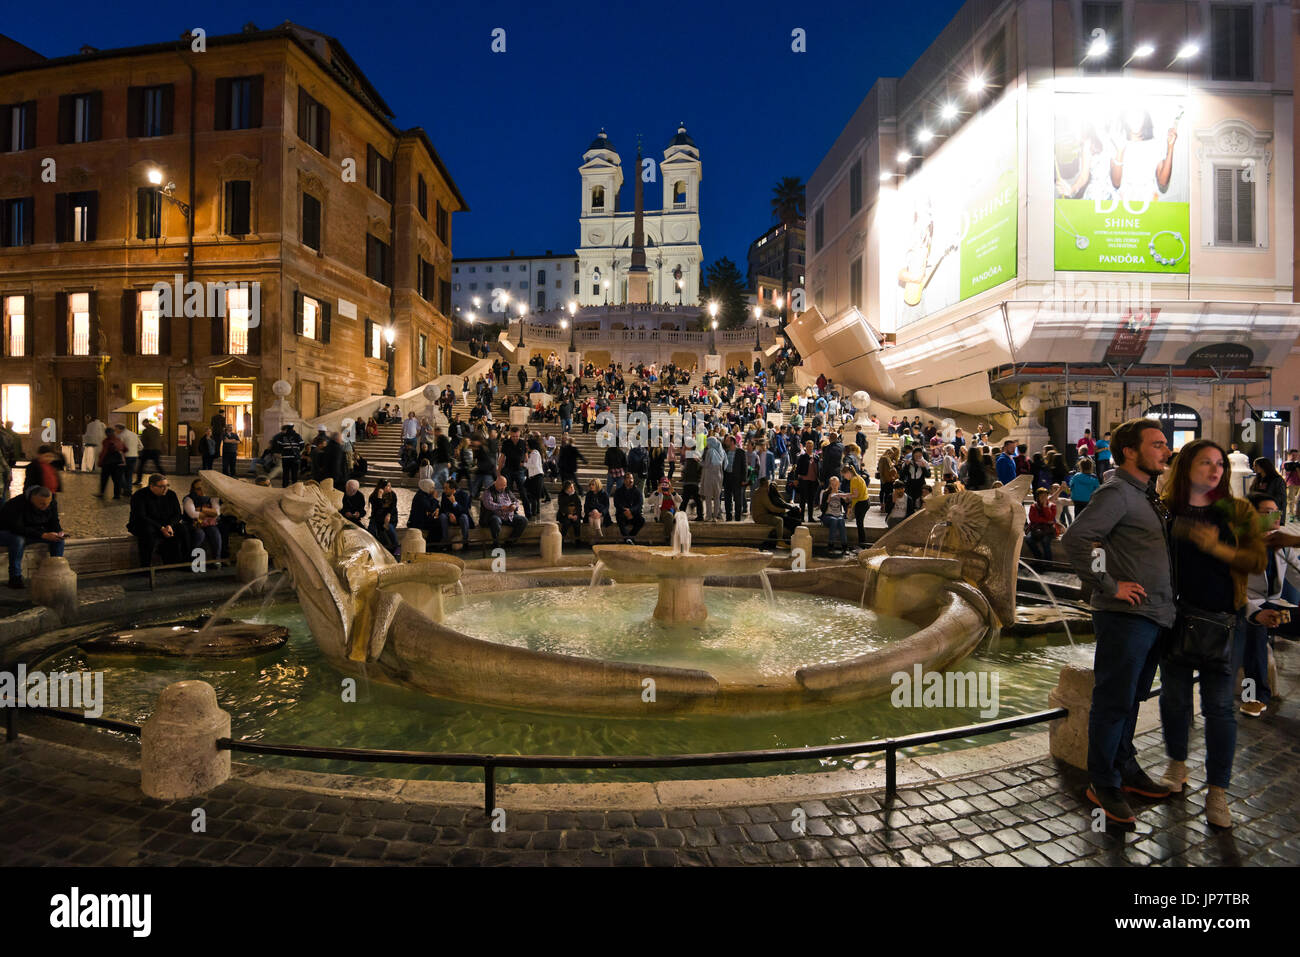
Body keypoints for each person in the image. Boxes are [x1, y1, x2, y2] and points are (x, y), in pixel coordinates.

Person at [1060, 418, 1174, 831]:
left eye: (1166, 444)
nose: (1166, 451)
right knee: (1114, 701)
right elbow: (1076, 538)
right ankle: (1103, 782)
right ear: (1130, 450)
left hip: (1153, 615)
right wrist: (1109, 583)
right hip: (1127, 617)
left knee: (1131, 699)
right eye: (1158, 444)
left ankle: (1126, 767)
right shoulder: (1117, 492)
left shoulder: (1144, 493)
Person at [1157, 439, 1266, 830]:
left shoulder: (1235, 511)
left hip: (1224, 620)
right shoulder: (1167, 510)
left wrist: (1216, 547)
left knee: (1219, 707)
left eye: (1219, 463)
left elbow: (1257, 560)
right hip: (1174, 618)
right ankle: (1176, 765)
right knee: (1174, 700)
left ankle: (1217, 791)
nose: (1215, 469)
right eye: (1205, 462)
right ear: (1186, 467)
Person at [1242, 492, 1297, 717]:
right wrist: (1254, 614)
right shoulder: (1240, 544)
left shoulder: (1282, 543)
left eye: (1277, 512)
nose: (1275, 517)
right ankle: (1253, 696)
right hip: (1249, 608)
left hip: (1276, 608)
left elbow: (1296, 574)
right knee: (1254, 635)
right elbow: (1235, 592)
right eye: (1267, 513)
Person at [0, 486, 65, 588]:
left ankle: (56, 572)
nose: (45, 506)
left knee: (58, 540)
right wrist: (43, 535)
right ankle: (15, 578)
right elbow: (17, 528)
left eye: (47, 504)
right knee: (18, 540)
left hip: (31, 532)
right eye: (42, 504)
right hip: (8, 532)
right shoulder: (16, 504)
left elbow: (54, 521)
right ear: (32, 499)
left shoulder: (51, 503)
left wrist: (59, 532)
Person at [128, 473, 184, 567]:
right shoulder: (139, 496)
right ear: (152, 486)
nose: (165, 489)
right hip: (143, 524)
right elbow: (141, 516)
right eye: (162, 486)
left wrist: (170, 525)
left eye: (167, 485)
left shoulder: (171, 494)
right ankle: (145, 566)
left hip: (166, 524)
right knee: (148, 532)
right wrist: (161, 528)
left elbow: (177, 514)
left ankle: (181, 562)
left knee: (183, 529)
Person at [752, 476, 799, 548]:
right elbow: (771, 508)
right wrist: (783, 510)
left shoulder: (757, 491)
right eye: (768, 484)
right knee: (779, 520)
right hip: (760, 517)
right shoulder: (763, 493)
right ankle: (780, 541)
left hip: (758, 515)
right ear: (765, 484)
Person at [480, 475, 527, 547]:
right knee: (495, 520)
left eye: (504, 485)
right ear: (495, 484)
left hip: (509, 515)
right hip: (495, 515)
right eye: (501, 486)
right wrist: (501, 507)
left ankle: (510, 542)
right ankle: (496, 543)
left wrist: (514, 505)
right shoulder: (488, 491)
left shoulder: (507, 490)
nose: (503, 487)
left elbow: (516, 500)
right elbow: (488, 504)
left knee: (523, 520)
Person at [182, 478, 222, 561]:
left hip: (208, 523)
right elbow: (192, 514)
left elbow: (217, 512)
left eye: (204, 488)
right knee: (199, 534)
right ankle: (191, 560)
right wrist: (210, 513)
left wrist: (200, 509)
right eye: (198, 489)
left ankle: (216, 560)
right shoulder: (188, 499)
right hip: (191, 523)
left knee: (215, 534)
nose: (202, 491)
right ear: (193, 490)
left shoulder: (212, 498)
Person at [1026, 486, 1063, 561]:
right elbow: (1033, 519)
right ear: (1038, 497)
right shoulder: (1033, 506)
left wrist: (1045, 507)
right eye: (1041, 496)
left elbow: (1051, 518)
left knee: (1045, 541)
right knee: (1028, 539)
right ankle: (1039, 558)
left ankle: (1048, 562)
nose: (1044, 497)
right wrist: (1045, 521)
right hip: (1036, 528)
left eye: (1045, 496)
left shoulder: (1052, 506)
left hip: (1048, 530)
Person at [819, 475, 852, 556]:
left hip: (838, 515)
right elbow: (822, 509)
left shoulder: (840, 493)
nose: (834, 486)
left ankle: (844, 547)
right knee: (834, 520)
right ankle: (831, 546)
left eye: (836, 484)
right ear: (830, 484)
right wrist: (828, 500)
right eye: (832, 484)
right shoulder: (826, 493)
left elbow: (847, 506)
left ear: (839, 484)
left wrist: (847, 501)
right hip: (827, 516)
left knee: (840, 520)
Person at [842, 465, 871, 548]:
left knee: (860, 524)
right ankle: (862, 543)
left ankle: (862, 544)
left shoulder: (854, 480)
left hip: (861, 503)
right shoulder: (858, 477)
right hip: (865, 501)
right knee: (860, 523)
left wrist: (845, 495)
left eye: (844, 475)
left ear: (848, 473)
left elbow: (855, 495)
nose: (844, 477)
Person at [367, 480, 399, 556]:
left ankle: (397, 550)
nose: (390, 488)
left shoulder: (393, 495)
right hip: (377, 518)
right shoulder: (374, 496)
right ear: (382, 488)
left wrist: (388, 515)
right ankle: (373, 551)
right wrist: (379, 497)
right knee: (371, 531)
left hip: (390, 518)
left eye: (390, 486)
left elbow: (393, 508)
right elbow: (377, 510)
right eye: (388, 486)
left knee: (390, 529)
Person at [439, 479, 473, 551]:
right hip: (449, 518)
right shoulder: (444, 495)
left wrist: (454, 503)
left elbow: (465, 511)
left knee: (464, 517)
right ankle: (445, 542)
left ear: (453, 489)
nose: (444, 490)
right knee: (442, 516)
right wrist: (449, 514)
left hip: (460, 517)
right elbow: (442, 509)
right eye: (444, 488)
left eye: (446, 488)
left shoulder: (464, 495)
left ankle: (465, 542)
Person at [408, 479, 442, 547]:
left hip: (424, 518)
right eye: (432, 487)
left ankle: (431, 543)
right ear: (427, 487)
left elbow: (435, 506)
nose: (433, 489)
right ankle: (430, 544)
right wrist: (435, 499)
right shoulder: (420, 497)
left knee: (438, 522)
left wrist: (437, 509)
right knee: (437, 524)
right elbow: (430, 508)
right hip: (417, 521)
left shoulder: (427, 494)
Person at [613, 473, 645, 543]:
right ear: (624, 480)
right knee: (620, 520)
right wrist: (625, 511)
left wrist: (631, 511)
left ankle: (629, 538)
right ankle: (629, 538)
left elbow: (639, 504)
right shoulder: (618, 491)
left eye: (632, 478)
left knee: (641, 520)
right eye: (628, 478)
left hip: (633, 514)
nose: (630, 480)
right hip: (622, 513)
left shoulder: (637, 491)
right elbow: (617, 504)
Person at [96, 429, 128, 499]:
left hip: (108, 463)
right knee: (117, 480)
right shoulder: (119, 440)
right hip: (118, 463)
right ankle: (117, 495)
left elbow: (104, 452)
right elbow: (126, 449)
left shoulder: (106, 441)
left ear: (107, 434)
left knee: (104, 478)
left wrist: (100, 461)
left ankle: (101, 493)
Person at [557, 480, 584, 545]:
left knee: (577, 522)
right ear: (566, 488)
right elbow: (562, 506)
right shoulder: (561, 495)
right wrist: (568, 514)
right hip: (564, 514)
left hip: (575, 514)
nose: (573, 488)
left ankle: (577, 539)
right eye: (571, 487)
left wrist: (576, 514)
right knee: (566, 522)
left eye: (573, 487)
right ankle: (562, 539)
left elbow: (579, 505)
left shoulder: (575, 494)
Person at [654, 477, 678, 544]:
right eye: (662, 484)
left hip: (673, 511)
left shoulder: (672, 493)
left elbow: (680, 500)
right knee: (669, 515)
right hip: (663, 512)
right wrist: (657, 492)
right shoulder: (657, 493)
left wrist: (673, 492)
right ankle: (668, 536)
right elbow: (650, 501)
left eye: (666, 484)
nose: (664, 486)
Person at [1284, 449, 1300, 522]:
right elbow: (1288, 468)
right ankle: (1291, 515)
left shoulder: (1297, 463)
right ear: (1289, 455)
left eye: (1296, 455)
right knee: (1291, 500)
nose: (1295, 457)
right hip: (1291, 483)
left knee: (1297, 500)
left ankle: (1297, 514)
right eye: (1293, 455)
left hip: (1298, 483)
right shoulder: (1286, 464)